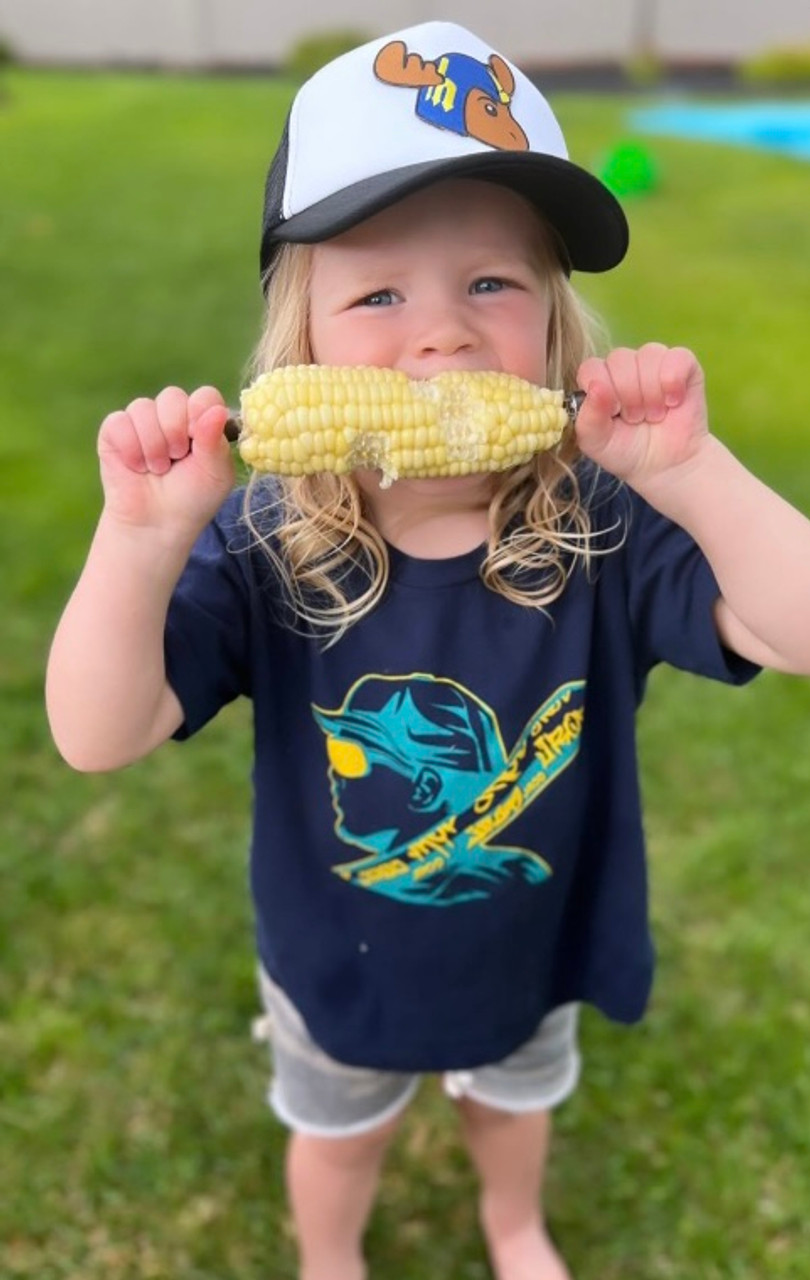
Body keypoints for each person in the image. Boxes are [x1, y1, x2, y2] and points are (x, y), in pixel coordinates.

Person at [45, 20, 810, 1280]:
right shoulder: (264, 545)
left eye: (492, 284)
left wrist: (696, 472)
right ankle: (329, 1253)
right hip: (335, 954)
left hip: (535, 933)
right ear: (305, 346)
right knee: (337, 1136)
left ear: (558, 330)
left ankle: (515, 1223)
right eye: (380, 293)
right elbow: (95, 732)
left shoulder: (605, 528)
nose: (443, 334)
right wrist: (136, 544)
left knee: (513, 1111)